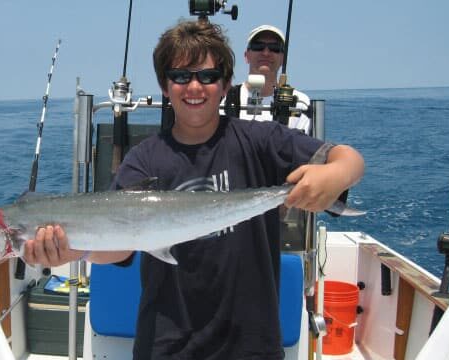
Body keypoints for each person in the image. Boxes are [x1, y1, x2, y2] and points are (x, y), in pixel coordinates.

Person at [23, 19, 364, 360]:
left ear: (226, 83)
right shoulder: (144, 160)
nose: (194, 87)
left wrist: (334, 175)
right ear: (164, 84)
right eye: (181, 76)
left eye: (208, 76)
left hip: (251, 343)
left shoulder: (260, 141)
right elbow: (121, 248)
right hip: (168, 344)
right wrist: (75, 251)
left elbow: (349, 160)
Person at [224, 24, 312, 133]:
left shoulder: (300, 103)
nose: (266, 53)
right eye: (258, 46)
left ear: (283, 59)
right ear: (246, 56)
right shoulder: (225, 99)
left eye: (274, 48)